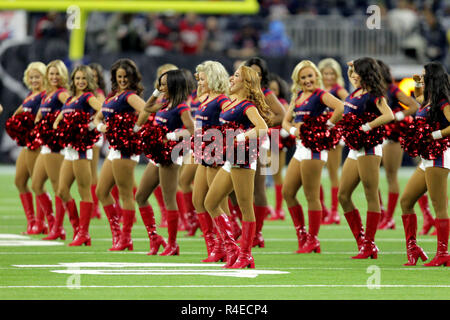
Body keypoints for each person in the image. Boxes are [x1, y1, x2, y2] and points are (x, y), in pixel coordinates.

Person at [204, 65, 270, 268]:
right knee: (210, 202)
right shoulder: (230, 104)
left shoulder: (247, 106)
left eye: (236, 76)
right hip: (230, 157)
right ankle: (232, 249)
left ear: (246, 82)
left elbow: (263, 128)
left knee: (245, 207)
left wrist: (242, 136)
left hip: (243, 157)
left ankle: (246, 254)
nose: (231, 79)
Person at [282, 60, 344, 254]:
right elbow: (285, 121)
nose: (308, 80)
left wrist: (327, 126)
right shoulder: (297, 97)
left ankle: (313, 240)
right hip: (301, 148)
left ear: (316, 76)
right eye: (303, 77)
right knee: (288, 192)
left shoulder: (321, 95)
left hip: (314, 148)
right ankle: (302, 235)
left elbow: (341, 107)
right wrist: (293, 130)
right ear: (298, 80)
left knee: (311, 195)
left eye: (310, 76)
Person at [338, 57, 394, 259]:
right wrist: (351, 67)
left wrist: (367, 126)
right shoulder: (355, 91)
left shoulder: (374, 95)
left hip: (369, 148)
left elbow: (389, 115)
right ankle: (362, 240)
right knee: (343, 195)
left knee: (371, 196)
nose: (353, 75)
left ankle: (369, 244)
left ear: (365, 74)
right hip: (355, 149)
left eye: (356, 72)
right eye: (352, 73)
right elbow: (351, 76)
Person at [134, 69, 195, 256]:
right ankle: (155, 238)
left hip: (171, 155)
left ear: (174, 84)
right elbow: (146, 108)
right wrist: (155, 92)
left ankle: (173, 244)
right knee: (140, 196)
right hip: (158, 156)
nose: (160, 87)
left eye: (164, 84)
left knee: (169, 200)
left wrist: (169, 136)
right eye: (160, 83)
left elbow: (191, 130)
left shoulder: (182, 107)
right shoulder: (164, 103)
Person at [399, 62, 450, 267]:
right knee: (406, 201)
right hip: (427, 157)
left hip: (439, 155)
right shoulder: (427, 100)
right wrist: (418, 81)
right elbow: (418, 96)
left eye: (423, 75)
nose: (420, 78)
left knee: (439, 206)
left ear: (432, 78)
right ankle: (413, 248)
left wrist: (434, 135)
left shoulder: (444, 101)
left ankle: (443, 253)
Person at [94, 58, 146, 251]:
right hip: (114, 149)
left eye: (126, 76)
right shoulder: (113, 95)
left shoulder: (130, 96)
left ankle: (126, 238)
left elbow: (146, 111)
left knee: (125, 194)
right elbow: (99, 115)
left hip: (126, 149)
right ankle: (117, 234)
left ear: (132, 78)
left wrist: (135, 128)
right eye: (119, 77)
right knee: (101, 191)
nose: (123, 80)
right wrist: (101, 126)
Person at [48, 65, 102, 244]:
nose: (80, 82)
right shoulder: (70, 98)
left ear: (89, 81)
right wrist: (58, 128)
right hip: (69, 150)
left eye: (83, 79)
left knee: (83, 191)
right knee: (62, 191)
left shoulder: (88, 97)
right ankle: (78, 228)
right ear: (73, 80)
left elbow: (103, 110)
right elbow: (59, 119)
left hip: (81, 149)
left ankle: (83, 233)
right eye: (77, 78)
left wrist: (91, 126)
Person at [191, 60, 234, 262]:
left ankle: (225, 246)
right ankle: (213, 245)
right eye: (198, 77)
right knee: (198, 200)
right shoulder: (206, 99)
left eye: (203, 77)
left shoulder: (223, 100)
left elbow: (233, 120)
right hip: (204, 153)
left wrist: (222, 148)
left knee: (217, 201)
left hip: (216, 154)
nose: (199, 80)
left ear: (214, 76)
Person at [244, 57, 285, 247]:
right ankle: (242, 230)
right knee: (235, 191)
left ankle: (257, 233)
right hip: (239, 142)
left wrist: (263, 124)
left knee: (258, 188)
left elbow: (282, 115)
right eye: (251, 72)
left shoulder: (266, 93)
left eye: (258, 73)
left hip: (259, 142)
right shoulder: (239, 91)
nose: (255, 77)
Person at [376, 60, 419, 230]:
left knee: (390, 175)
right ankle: (380, 213)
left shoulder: (392, 89)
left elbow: (414, 105)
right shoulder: (371, 91)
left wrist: (397, 116)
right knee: (369, 179)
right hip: (375, 136)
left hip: (392, 136)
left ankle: (389, 218)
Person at [31, 60, 70, 236]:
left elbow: (72, 108)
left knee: (58, 188)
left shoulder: (62, 93)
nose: (54, 77)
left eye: (57, 74)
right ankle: (53, 222)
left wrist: (58, 121)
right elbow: (41, 113)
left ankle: (59, 228)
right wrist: (39, 118)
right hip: (46, 145)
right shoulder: (48, 94)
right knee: (37, 184)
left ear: (62, 75)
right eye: (51, 74)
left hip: (56, 146)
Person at [12, 62, 47, 234]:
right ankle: (32, 221)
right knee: (19, 180)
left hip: (37, 143)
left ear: (44, 78)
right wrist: (17, 126)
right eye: (31, 77)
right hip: (27, 142)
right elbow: (16, 114)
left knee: (36, 183)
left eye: (37, 77)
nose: (34, 80)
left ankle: (41, 223)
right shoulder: (30, 95)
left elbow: (42, 118)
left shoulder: (44, 96)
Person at [318, 58, 349, 225]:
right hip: (318, 133)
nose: (329, 76)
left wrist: (333, 119)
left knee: (332, 172)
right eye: (326, 73)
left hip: (334, 132)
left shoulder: (339, 89)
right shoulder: (318, 90)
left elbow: (348, 106)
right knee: (314, 172)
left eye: (332, 73)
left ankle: (335, 212)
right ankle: (322, 209)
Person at [267, 72, 291, 221]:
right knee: (261, 176)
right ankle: (266, 208)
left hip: (276, 140)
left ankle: (279, 210)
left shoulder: (282, 103)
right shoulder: (263, 102)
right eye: (271, 90)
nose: (273, 93)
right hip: (264, 139)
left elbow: (288, 118)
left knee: (276, 175)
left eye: (275, 90)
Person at [88, 62, 107, 220]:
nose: (92, 79)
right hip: (83, 134)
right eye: (90, 76)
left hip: (93, 134)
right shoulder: (83, 93)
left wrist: (91, 123)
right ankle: (92, 206)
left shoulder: (99, 93)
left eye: (94, 76)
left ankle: (95, 208)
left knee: (92, 172)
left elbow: (103, 111)